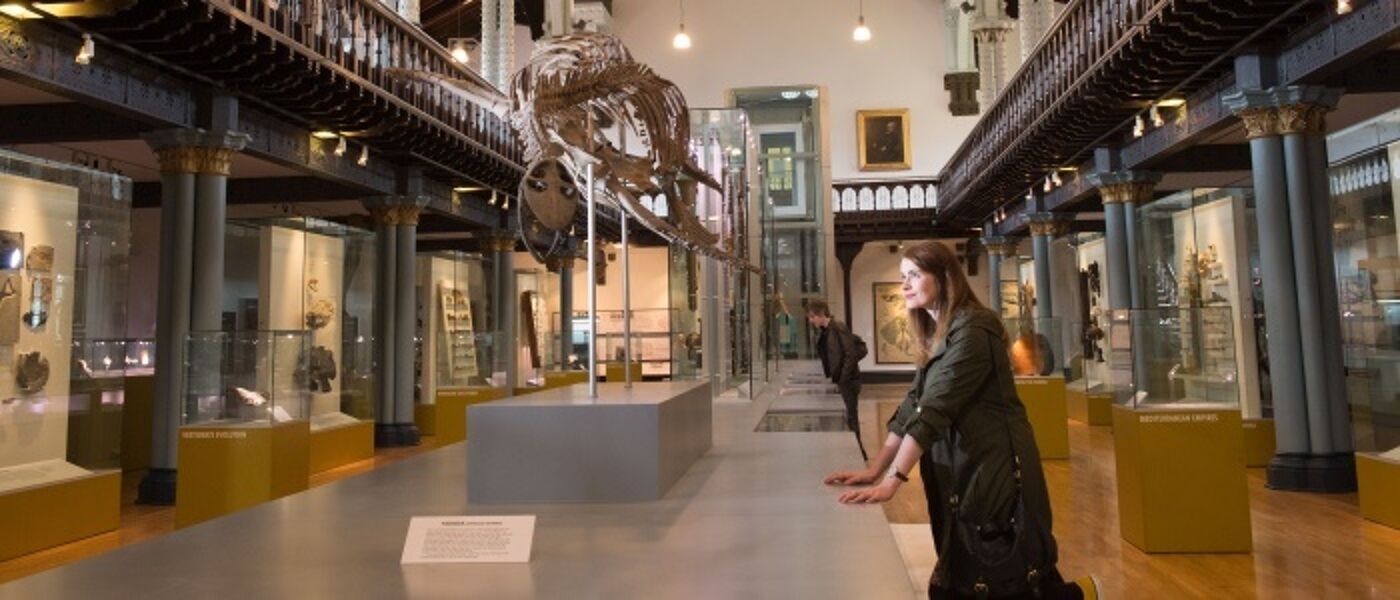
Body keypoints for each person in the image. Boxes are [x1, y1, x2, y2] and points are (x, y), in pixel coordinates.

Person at [823, 241, 1099, 600]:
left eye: (914, 275)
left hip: (991, 469)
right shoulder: (940, 332)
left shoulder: (974, 329)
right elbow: (913, 405)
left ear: (944, 276)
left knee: (995, 575)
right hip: (961, 467)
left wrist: (892, 482)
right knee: (976, 573)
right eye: (903, 276)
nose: (905, 285)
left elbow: (933, 409)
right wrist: (876, 469)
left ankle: (1080, 594)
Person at [806, 299, 866, 461]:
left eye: (812, 317)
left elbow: (850, 354)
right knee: (848, 417)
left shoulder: (838, 327)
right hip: (842, 380)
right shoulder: (826, 331)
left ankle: (859, 454)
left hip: (849, 381)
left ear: (820, 314)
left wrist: (842, 377)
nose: (811, 321)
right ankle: (855, 453)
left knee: (851, 417)